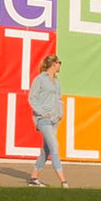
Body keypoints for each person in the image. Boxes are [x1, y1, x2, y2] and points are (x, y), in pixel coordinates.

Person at [26, 55, 67, 188]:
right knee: (55, 147)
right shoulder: (40, 79)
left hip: (55, 119)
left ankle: (33, 178)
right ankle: (63, 181)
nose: (60, 65)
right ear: (53, 64)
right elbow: (32, 98)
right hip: (43, 119)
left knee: (46, 150)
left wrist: (60, 113)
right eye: (59, 63)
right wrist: (43, 113)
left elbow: (59, 99)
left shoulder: (57, 81)